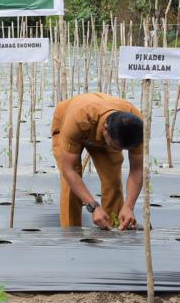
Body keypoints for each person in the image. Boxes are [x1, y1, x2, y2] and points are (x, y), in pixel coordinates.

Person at [51, 92, 144, 230]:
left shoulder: (137, 127)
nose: (120, 151)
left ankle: (114, 226)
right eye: (116, 147)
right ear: (104, 129)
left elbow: (137, 169)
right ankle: (71, 232)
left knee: (113, 179)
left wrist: (129, 206)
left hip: (106, 131)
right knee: (71, 183)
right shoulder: (79, 118)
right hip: (69, 122)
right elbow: (68, 169)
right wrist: (93, 206)